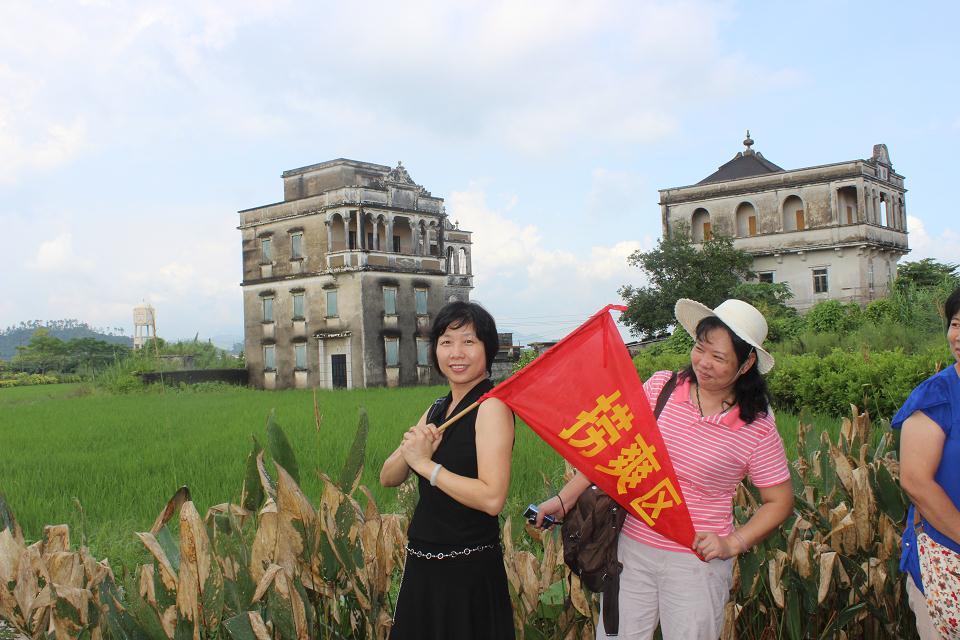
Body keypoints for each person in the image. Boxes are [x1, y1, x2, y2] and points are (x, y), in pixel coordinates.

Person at [535, 298, 794, 639]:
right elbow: (615, 452)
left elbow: (779, 502)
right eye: (700, 348)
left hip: (697, 562)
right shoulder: (662, 389)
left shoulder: (756, 426)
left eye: (719, 358)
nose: (703, 363)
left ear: (746, 364)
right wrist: (564, 499)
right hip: (631, 549)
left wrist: (733, 543)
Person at [380, 301, 516, 640]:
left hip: (466, 572)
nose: (456, 353)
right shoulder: (438, 408)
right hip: (424, 564)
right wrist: (413, 451)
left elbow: (492, 498)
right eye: (446, 342)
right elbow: (388, 477)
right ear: (435, 350)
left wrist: (426, 465)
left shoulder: (492, 407)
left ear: (488, 348)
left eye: (469, 341)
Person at [895, 286, 960, 639]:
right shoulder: (937, 395)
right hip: (947, 561)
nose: (958, 336)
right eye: (955, 324)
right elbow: (915, 481)